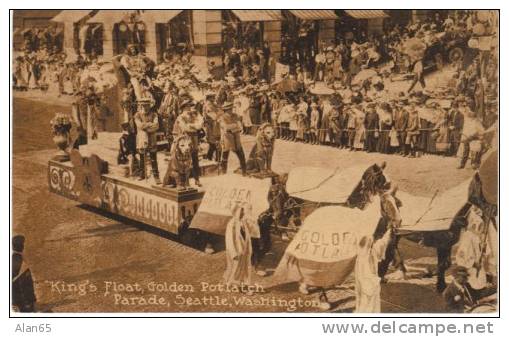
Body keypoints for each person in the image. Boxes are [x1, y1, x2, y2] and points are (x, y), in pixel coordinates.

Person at [355, 227, 392, 313]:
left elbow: (382, 243)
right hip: (368, 286)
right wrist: (376, 280)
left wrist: (389, 231)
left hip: (365, 285)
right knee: (369, 305)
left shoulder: (364, 254)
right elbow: (367, 275)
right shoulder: (366, 258)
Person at [174, 103, 204, 187]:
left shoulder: (194, 115)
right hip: (185, 139)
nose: (189, 108)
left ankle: (197, 179)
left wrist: (192, 126)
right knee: (185, 160)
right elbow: (184, 127)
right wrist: (194, 126)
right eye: (186, 106)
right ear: (183, 108)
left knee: (195, 159)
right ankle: (185, 181)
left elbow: (200, 125)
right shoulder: (180, 117)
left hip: (194, 139)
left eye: (189, 106)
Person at [224, 202, 253, 289]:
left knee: (246, 267)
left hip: (245, 250)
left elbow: (248, 234)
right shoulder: (231, 224)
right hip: (236, 251)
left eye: (243, 211)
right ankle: (231, 283)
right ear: (236, 212)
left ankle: (244, 285)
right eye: (241, 211)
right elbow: (229, 240)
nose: (243, 213)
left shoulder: (243, 222)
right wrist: (233, 253)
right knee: (236, 268)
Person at [134, 98, 161, 185]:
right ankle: (142, 174)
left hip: (152, 138)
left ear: (150, 106)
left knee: (153, 158)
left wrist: (146, 127)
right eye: (143, 105)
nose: (145, 107)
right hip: (142, 138)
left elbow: (156, 126)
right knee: (142, 158)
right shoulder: (137, 115)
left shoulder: (154, 115)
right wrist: (150, 125)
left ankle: (156, 176)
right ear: (140, 106)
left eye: (147, 105)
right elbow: (139, 125)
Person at [218, 101, 247, 175]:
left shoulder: (235, 115)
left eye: (231, 108)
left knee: (241, 154)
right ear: (226, 110)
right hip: (227, 137)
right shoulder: (222, 117)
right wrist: (235, 126)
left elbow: (240, 126)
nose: (231, 110)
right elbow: (226, 127)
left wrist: (233, 127)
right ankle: (223, 172)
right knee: (225, 155)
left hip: (236, 137)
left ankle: (244, 171)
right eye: (229, 109)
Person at [12, 235, 36, 312]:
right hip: (23, 303)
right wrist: (29, 301)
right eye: (23, 244)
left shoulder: (16, 257)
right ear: (22, 246)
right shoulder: (17, 259)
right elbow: (22, 283)